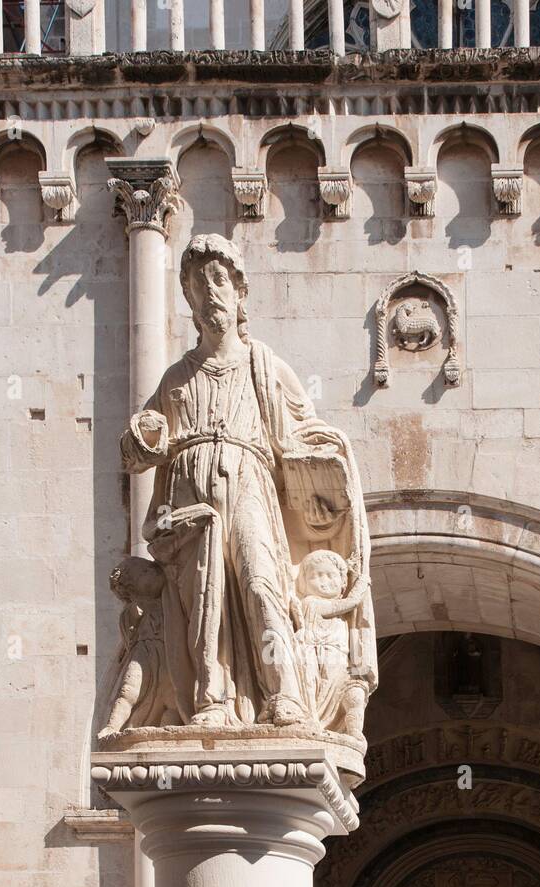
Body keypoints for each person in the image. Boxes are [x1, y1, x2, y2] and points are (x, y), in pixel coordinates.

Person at [119, 233, 376, 731]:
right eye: (197, 283)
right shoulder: (177, 376)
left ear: (239, 293)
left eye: (219, 280)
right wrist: (145, 438)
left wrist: (326, 455)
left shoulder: (264, 365)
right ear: (189, 300)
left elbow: (303, 431)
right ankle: (210, 700)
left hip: (249, 483)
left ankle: (284, 696)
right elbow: (134, 452)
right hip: (190, 501)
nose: (209, 291)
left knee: (262, 582)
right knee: (201, 599)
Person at [292, 549, 370, 736]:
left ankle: (354, 732)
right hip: (318, 661)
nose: (324, 581)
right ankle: (317, 724)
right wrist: (361, 583)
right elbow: (349, 603)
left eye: (330, 575)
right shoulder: (311, 602)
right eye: (316, 576)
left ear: (342, 582)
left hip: (339, 662)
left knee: (355, 693)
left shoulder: (340, 614)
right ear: (304, 583)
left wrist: (349, 570)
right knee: (316, 699)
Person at [98, 557, 171, 736]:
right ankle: (112, 726)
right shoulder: (134, 609)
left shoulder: (171, 599)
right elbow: (129, 637)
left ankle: (165, 730)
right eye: (145, 572)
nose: (154, 572)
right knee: (129, 689)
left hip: (169, 656)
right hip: (144, 653)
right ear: (132, 588)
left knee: (170, 696)